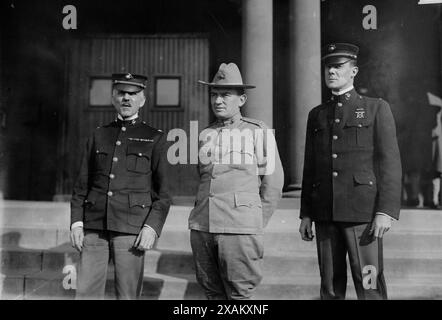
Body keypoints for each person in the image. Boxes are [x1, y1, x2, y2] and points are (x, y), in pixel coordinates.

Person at [299, 43, 402, 300]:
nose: (331, 72)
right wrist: (306, 214)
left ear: (354, 71)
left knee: (369, 286)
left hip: (362, 215)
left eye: (338, 66)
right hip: (325, 213)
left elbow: (390, 163)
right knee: (330, 289)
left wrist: (385, 211)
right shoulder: (317, 115)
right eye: (328, 67)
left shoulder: (375, 108)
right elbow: (310, 168)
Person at [70, 73, 171, 299]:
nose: (127, 98)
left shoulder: (154, 138)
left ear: (143, 99)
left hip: (131, 227)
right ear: (113, 97)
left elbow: (163, 195)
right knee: (85, 294)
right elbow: (81, 186)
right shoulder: (98, 135)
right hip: (94, 225)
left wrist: (151, 228)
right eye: (121, 93)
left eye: (133, 94)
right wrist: (77, 222)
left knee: (127, 294)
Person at [189, 63, 284, 300]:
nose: (218, 101)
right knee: (212, 293)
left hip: (239, 229)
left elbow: (273, 184)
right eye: (214, 95)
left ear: (241, 100)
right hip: (203, 226)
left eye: (225, 95)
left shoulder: (257, 131)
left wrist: (253, 223)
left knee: (240, 295)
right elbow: (202, 176)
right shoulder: (205, 135)